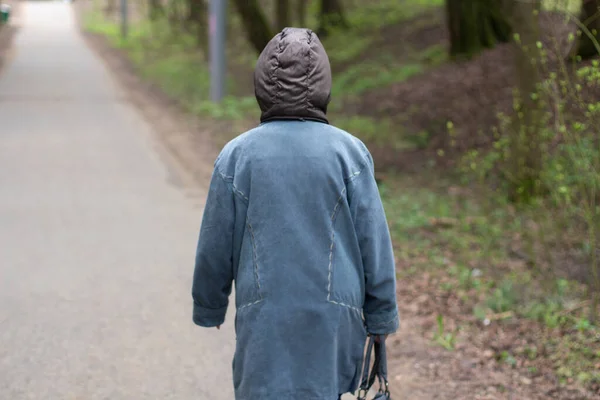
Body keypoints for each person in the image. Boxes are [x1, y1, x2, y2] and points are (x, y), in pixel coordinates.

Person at [191, 27, 399, 400]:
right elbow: (375, 244)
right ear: (323, 84)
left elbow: (215, 242)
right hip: (335, 318)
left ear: (262, 86)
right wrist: (381, 315)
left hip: (265, 316)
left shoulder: (237, 156)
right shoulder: (350, 154)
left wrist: (210, 304)